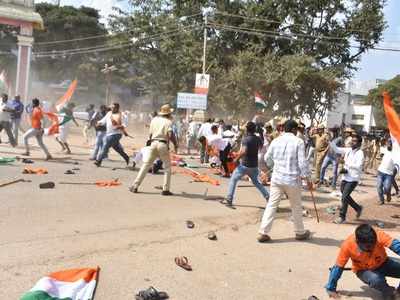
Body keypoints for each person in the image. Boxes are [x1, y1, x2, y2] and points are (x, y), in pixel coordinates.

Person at [257, 120, 311, 242]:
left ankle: (263, 232)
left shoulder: (276, 141)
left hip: (277, 178)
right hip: (292, 180)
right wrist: (308, 178)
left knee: (272, 205)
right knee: (296, 206)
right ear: (293, 130)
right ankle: (300, 232)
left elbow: (267, 158)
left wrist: (273, 166)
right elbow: (302, 162)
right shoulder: (298, 142)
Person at [326, 224, 400, 300]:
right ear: (357, 242)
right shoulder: (347, 245)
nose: (372, 248)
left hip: (384, 263)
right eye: (368, 247)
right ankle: (388, 292)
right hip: (363, 270)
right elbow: (338, 267)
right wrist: (331, 288)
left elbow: (397, 246)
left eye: (374, 244)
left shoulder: (379, 235)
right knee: (376, 280)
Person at [129, 104, 178, 195]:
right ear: (169, 114)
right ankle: (165, 189)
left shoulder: (154, 120)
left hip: (153, 143)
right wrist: (175, 144)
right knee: (167, 168)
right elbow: (171, 135)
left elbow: (150, 134)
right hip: (162, 144)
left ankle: (135, 186)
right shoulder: (168, 122)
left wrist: (149, 143)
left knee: (146, 165)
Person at [221, 121, 269, 208]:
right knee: (257, 182)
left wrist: (236, 159)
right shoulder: (257, 139)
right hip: (254, 165)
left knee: (233, 180)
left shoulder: (246, 139)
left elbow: (243, 151)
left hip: (245, 165)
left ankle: (229, 199)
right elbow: (261, 147)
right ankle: (267, 196)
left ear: (247, 129)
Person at [330, 134, 364, 224]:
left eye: (355, 141)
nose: (352, 142)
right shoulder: (348, 150)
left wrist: (346, 163)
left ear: (359, 143)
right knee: (345, 196)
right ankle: (358, 208)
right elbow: (335, 148)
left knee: (344, 197)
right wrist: (337, 138)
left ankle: (342, 217)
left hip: (353, 178)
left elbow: (358, 166)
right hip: (345, 176)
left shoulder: (360, 153)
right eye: (352, 140)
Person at [94, 103, 130, 167]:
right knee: (116, 148)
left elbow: (125, 123)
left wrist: (119, 127)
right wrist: (99, 123)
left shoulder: (122, 115)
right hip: (109, 134)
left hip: (116, 134)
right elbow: (103, 121)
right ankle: (126, 157)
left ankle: (98, 161)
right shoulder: (109, 113)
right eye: (111, 107)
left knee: (105, 146)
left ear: (117, 108)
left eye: (114, 108)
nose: (112, 109)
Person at [377, 139, 395, 205]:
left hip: (389, 174)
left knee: (387, 188)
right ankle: (381, 200)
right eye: (388, 143)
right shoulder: (384, 149)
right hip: (380, 171)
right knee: (379, 186)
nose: (388, 144)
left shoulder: (396, 153)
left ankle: (388, 194)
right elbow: (380, 154)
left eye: (390, 143)